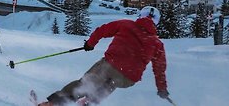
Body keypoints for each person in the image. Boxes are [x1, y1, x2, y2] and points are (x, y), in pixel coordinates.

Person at [39, 6, 169, 106]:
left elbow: (102, 30)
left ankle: (53, 104)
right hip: (128, 79)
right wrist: (162, 89)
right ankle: (89, 102)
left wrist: (90, 44)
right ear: (156, 22)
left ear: (141, 16)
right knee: (111, 83)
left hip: (110, 65)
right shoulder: (157, 44)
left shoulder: (126, 24)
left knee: (85, 84)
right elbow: (160, 69)